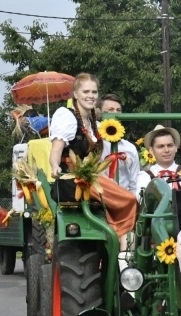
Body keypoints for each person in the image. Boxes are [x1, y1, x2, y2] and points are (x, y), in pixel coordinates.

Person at [47, 74, 137, 238]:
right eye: (86, 91)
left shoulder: (94, 124)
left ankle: (121, 241)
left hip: (92, 178)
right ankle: (119, 237)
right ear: (75, 93)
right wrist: (54, 165)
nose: (90, 96)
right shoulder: (67, 116)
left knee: (129, 199)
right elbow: (56, 149)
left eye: (94, 92)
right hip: (74, 181)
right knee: (127, 200)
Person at [136, 125, 181, 191]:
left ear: (176, 148)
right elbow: (142, 200)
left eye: (170, 145)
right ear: (151, 151)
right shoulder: (145, 176)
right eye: (161, 146)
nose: (166, 150)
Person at [98, 93, 140, 197]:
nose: (115, 114)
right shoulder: (94, 143)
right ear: (100, 113)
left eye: (118, 110)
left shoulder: (130, 148)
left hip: (124, 199)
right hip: (98, 199)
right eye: (110, 110)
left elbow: (134, 182)